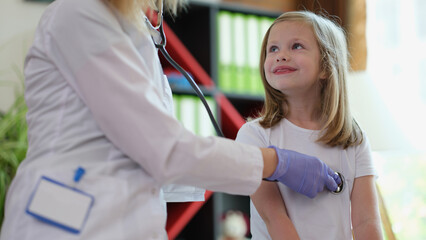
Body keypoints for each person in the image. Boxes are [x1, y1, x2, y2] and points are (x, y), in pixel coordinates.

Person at [0, 1, 340, 239]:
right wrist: (274, 162)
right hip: (66, 220)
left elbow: (150, 157)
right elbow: (163, 150)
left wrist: (238, 169)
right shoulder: (79, 14)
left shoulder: (138, 38)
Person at [235, 11, 383, 240]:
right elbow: (274, 218)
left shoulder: (354, 139)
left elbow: (367, 222)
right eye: (273, 49)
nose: (281, 55)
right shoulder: (254, 136)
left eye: (296, 46)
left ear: (326, 66)